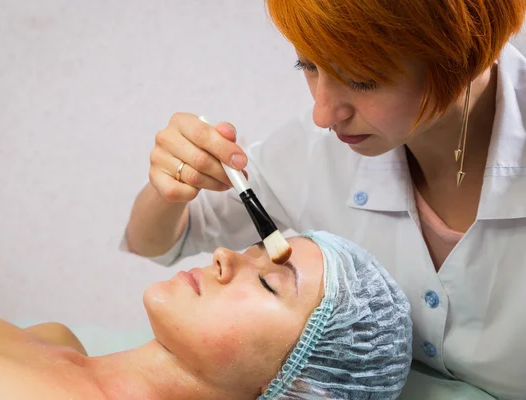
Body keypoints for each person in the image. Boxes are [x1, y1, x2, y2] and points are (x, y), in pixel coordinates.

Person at [123, 1, 526, 399]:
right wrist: (173, 183)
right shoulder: (313, 150)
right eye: (308, 67)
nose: (323, 113)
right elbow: (157, 241)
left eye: (364, 80)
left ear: (466, 55)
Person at [0, 231, 411, 399]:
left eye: (268, 282)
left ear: (294, 386)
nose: (225, 256)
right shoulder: (54, 338)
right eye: (251, 249)